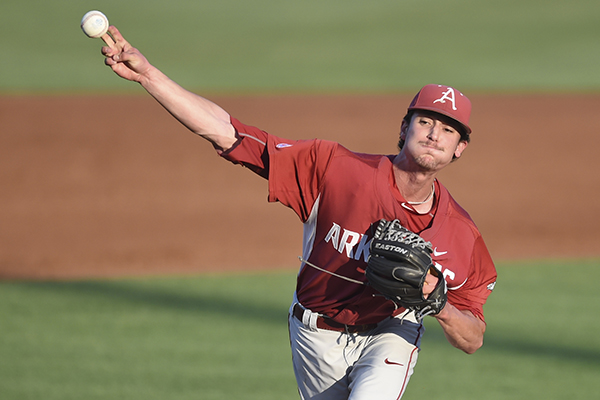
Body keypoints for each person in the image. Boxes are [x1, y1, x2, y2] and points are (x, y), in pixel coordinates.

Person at [100, 25, 497, 400]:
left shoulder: (459, 233)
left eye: (448, 130)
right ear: (404, 127)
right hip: (313, 335)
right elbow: (228, 132)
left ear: (459, 147)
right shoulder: (336, 168)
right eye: (425, 122)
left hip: (390, 333)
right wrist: (148, 75)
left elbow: (473, 337)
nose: (433, 134)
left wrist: (436, 302)